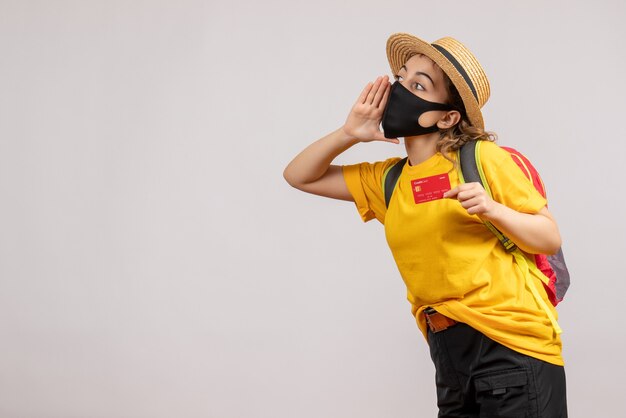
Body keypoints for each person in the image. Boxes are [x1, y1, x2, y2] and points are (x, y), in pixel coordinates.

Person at [283, 33, 567, 418]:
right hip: (448, 351)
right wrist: (348, 134)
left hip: (512, 345)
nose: (399, 89)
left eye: (418, 85)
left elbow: (548, 238)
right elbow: (299, 176)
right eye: (401, 78)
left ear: (447, 117)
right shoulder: (391, 180)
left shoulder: (481, 159)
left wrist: (493, 210)